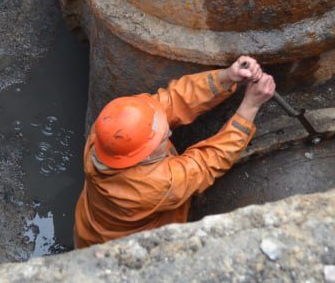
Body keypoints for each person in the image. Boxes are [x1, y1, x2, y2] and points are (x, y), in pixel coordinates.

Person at [73, 56, 277, 248]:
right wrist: (249, 107)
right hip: (125, 246)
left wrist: (226, 76)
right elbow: (208, 162)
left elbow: (173, 101)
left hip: (87, 230)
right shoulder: (155, 185)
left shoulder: (107, 132)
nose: (169, 130)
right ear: (145, 157)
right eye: (162, 138)